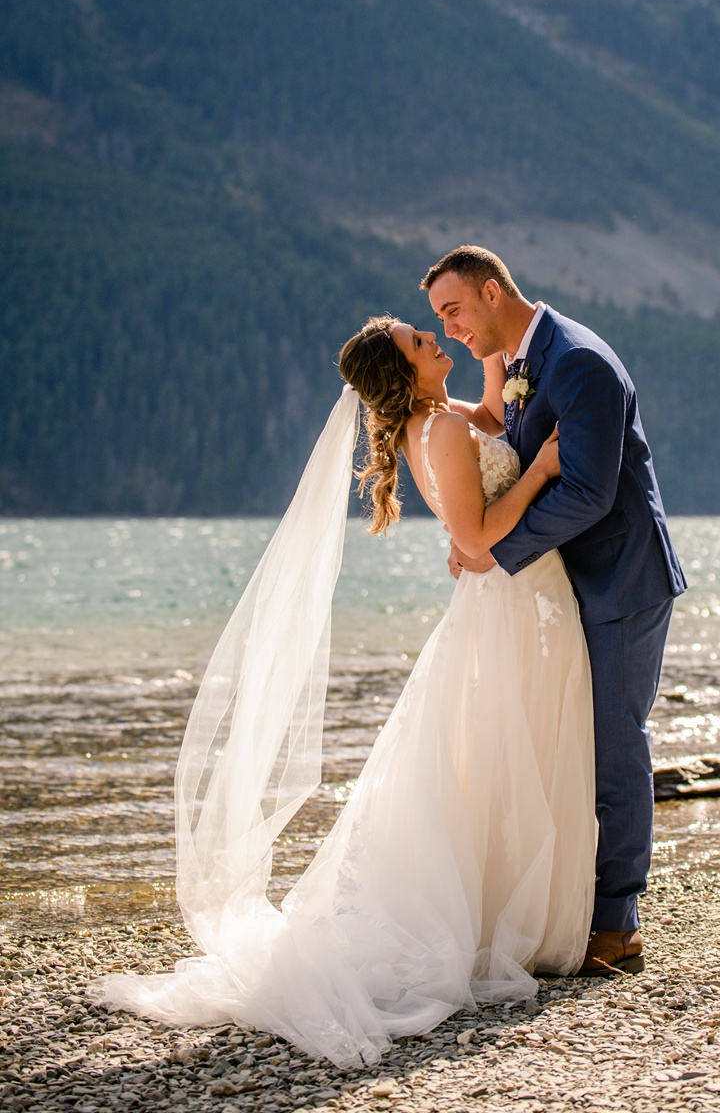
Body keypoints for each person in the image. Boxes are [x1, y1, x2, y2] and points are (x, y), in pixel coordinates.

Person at [89, 314, 595, 1069]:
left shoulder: (438, 421)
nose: (434, 339)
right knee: (508, 749)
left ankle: (511, 913)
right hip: (510, 608)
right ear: (405, 374)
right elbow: (479, 540)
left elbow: (492, 416)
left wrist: (492, 349)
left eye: (431, 331)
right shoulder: (441, 433)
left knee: (500, 755)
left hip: (517, 605)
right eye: (422, 342)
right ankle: (513, 921)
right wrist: (543, 470)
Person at [423, 247, 686, 975]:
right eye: (437, 321)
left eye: (453, 312)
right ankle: (568, 906)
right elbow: (511, 448)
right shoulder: (522, 363)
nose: (448, 330)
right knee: (570, 743)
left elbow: (588, 494)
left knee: (614, 744)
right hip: (573, 587)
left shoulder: (577, 363)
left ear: (490, 290)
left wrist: (495, 553)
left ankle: (618, 922)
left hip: (624, 582)